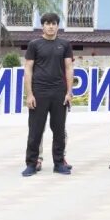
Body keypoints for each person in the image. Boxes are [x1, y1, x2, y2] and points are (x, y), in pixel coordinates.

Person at [22, 13, 74, 177]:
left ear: (58, 26)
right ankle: (31, 163)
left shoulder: (64, 44)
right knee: (35, 130)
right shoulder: (34, 44)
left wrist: (69, 92)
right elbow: (28, 69)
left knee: (59, 130)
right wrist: (29, 94)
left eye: (53, 23)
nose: (50, 26)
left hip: (59, 92)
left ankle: (59, 163)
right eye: (47, 23)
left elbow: (68, 68)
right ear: (42, 26)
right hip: (39, 92)